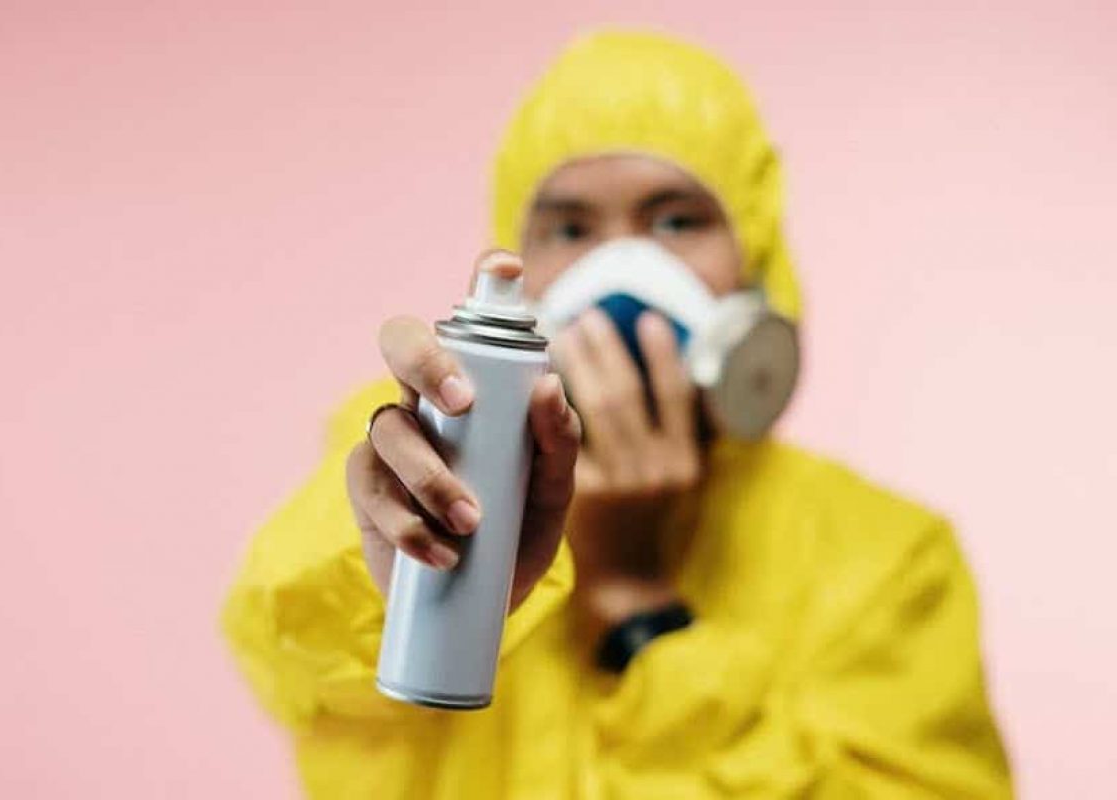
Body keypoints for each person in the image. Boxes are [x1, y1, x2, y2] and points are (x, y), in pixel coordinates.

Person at [222, 29, 1012, 798]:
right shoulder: (409, 462)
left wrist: (638, 602)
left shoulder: (886, 559)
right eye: (569, 229)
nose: (622, 271)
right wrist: (410, 573)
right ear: (516, 267)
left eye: (676, 221)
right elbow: (287, 655)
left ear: (756, 259)